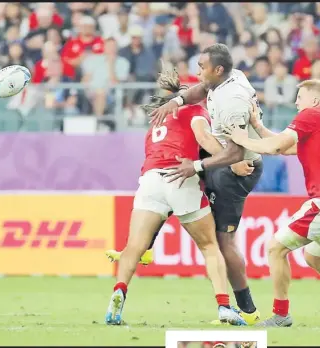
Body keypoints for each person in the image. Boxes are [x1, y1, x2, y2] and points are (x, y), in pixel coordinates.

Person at [222, 79, 320, 328]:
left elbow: (276, 146)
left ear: (313, 100)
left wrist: (242, 139)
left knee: (275, 249)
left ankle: (281, 315)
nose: (295, 102)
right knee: (316, 259)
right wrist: (258, 126)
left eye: (299, 96)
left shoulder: (310, 115)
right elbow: (286, 147)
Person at [104, 82, 248, 326]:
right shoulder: (195, 112)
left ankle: (118, 293)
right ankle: (224, 306)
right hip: (180, 176)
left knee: (133, 247)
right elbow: (203, 138)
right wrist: (231, 161)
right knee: (210, 246)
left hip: (150, 181)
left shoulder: (157, 121)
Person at [141, 44, 265, 325]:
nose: (197, 73)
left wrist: (196, 166)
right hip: (222, 161)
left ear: (217, 69)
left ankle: (248, 310)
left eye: (201, 67)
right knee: (180, 193)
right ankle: (147, 245)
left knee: (223, 241)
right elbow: (200, 90)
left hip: (236, 168)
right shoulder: (224, 81)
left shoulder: (231, 99)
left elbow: (234, 152)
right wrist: (176, 101)